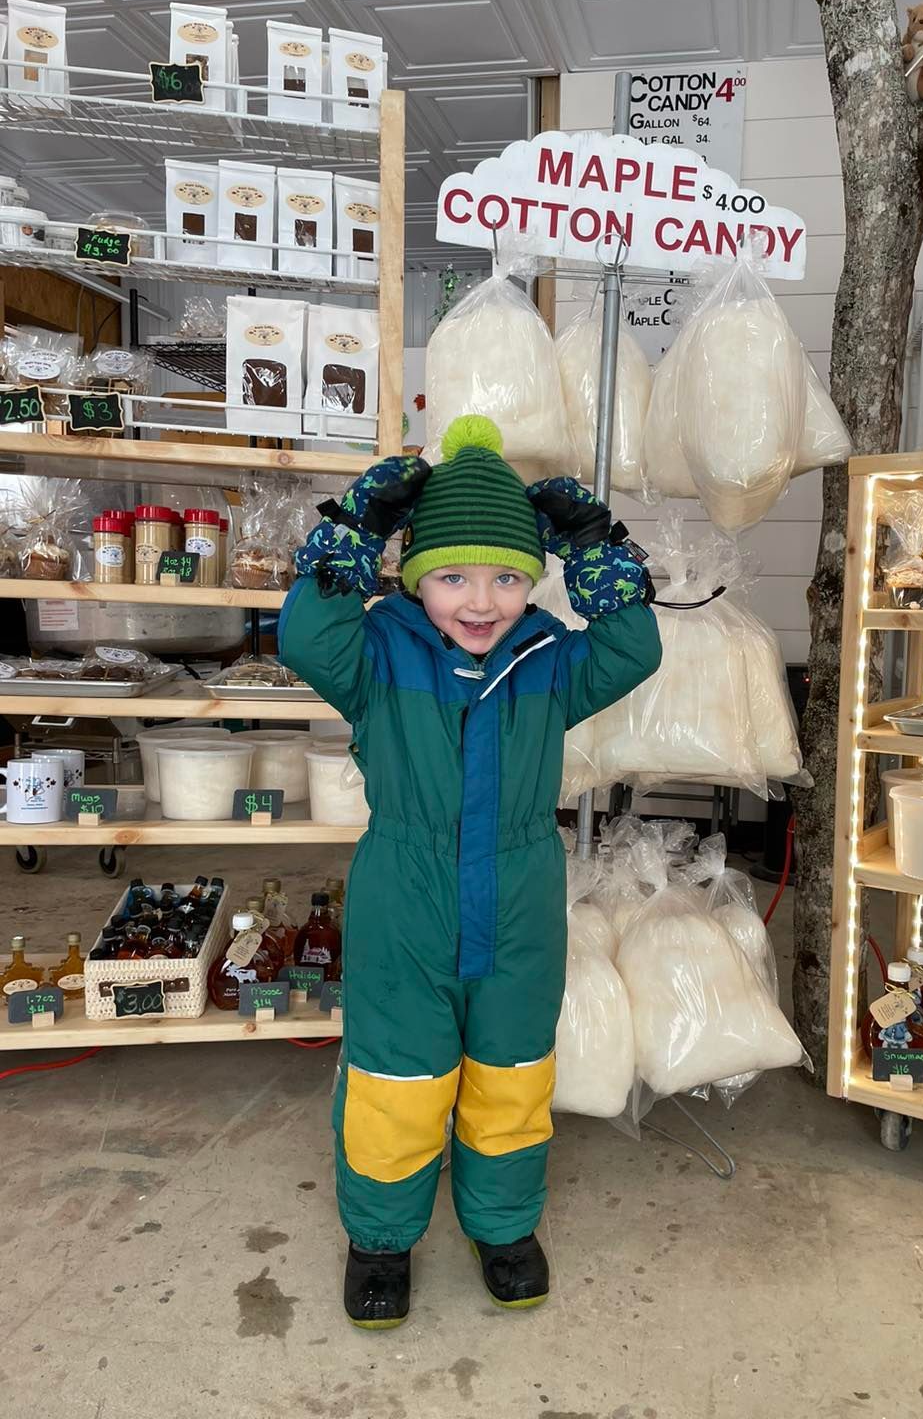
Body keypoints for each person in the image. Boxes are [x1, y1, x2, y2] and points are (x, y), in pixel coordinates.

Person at [279, 414, 662, 1329]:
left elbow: (634, 650)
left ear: (533, 585)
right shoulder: (376, 653)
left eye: (506, 577)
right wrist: (352, 538)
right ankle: (379, 1239)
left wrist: (594, 552)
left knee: (512, 1069)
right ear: (414, 578)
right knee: (396, 1079)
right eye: (452, 576)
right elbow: (305, 638)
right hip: (402, 898)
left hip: (523, 894)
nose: (480, 601)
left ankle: (502, 1225)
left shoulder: (548, 662)